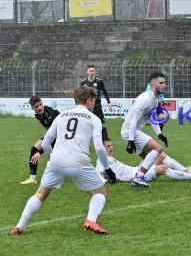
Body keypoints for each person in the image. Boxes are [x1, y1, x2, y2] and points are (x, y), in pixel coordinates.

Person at [10, 86, 117, 235]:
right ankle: (91, 220)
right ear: (88, 100)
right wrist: (107, 169)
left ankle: (19, 227)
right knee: (100, 193)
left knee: (40, 193)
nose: (94, 104)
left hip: (56, 162)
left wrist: (52, 159)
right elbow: (99, 148)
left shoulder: (62, 116)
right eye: (93, 101)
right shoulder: (94, 118)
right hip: (80, 163)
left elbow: (46, 143)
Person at [121, 71, 191, 187]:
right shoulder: (145, 98)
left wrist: (160, 134)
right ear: (153, 84)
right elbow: (133, 121)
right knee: (158, 149)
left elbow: (153, 117)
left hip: (134, 132)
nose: (164, 85)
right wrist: (130, 141)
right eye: (161, 83)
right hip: (129, 131)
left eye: (165, 82)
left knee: (160, 158)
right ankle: (139, 176)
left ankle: (190, 175)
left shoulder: (154, 100)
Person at [96, 138, 191, 184]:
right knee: (163, 168)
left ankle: (186, 170)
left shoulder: (109, 158)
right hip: (135, 176)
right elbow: (98, 173)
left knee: (159, 154)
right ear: (102, 148)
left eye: (111, 145)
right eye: (108, 146)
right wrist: (106, 181)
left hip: (136, 169)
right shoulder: (101, 160)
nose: (111, 148)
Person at [21, 96, 60, 185]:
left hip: (61, 136)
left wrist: (40, 152)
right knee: (34, 149)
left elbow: (56, 133)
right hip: (52, 134)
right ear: (32, 108)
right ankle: (32, 178)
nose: (39, 108)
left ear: (42, 102)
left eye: (40, 105)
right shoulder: (37, 115)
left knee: (60, 157)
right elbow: (50, 132)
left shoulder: (51, 114)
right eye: (36, 107)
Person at [80, 64, 111, 139]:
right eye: (90, 71)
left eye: (93, 71)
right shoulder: (83, 83)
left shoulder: (99, 82)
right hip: (87, 108)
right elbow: (80, 95)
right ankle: (83, 139)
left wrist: (109, 102)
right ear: (87, 72)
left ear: (95, 72)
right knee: (85, 124)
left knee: (102, 125)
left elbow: (105, 92)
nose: (91, 72)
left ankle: (105, 140)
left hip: (97, 108)